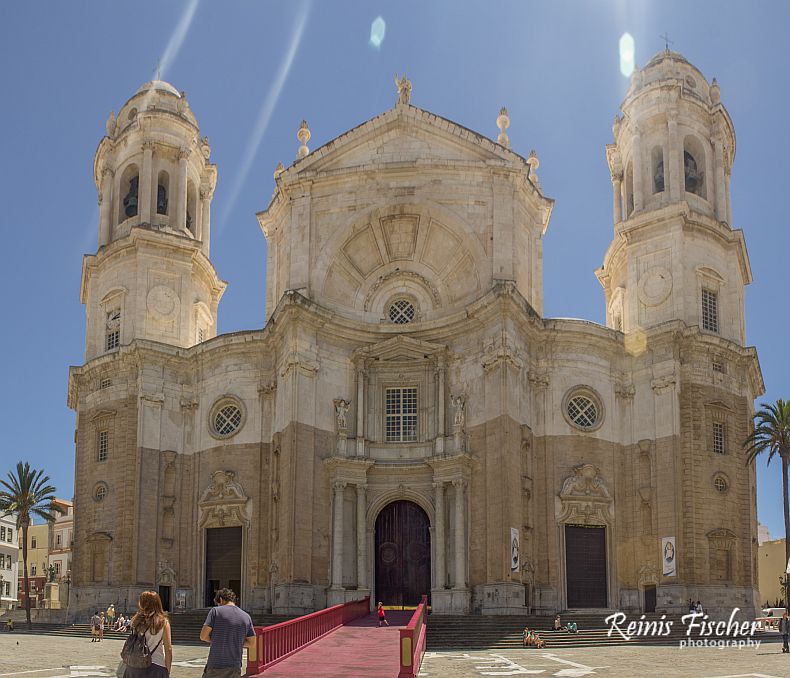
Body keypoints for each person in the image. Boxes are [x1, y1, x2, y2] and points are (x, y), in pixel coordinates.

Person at [200, 588, 256, 677]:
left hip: (216, 665)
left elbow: (203, 636)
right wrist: (235, 642)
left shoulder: (215, 611)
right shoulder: (246, 616)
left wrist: (217, 640)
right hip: (235, 666)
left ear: (221, 600)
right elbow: (251, 643)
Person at [124, 590, 172, 677]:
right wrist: (167, 671)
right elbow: (168, 649)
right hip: (156, 666)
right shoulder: (163, 622)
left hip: (134, 667)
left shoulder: (135, 620)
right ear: (157, 603)